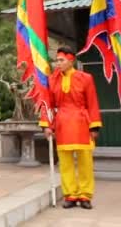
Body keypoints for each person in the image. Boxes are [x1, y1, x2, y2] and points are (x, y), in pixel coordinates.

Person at [41, 47, 102, 210]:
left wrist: (94, 126)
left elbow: (93, 103)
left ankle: (85, 195)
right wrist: (47, 124)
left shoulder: (86, 78)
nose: (57, 63)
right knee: (65, 162)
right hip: (62, 123)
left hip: (82, 122)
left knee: (85, 161)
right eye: (57, 60)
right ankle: (70, 195)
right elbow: (48, 104)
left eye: (61, 60)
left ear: (71, 60)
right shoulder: (52, 80)